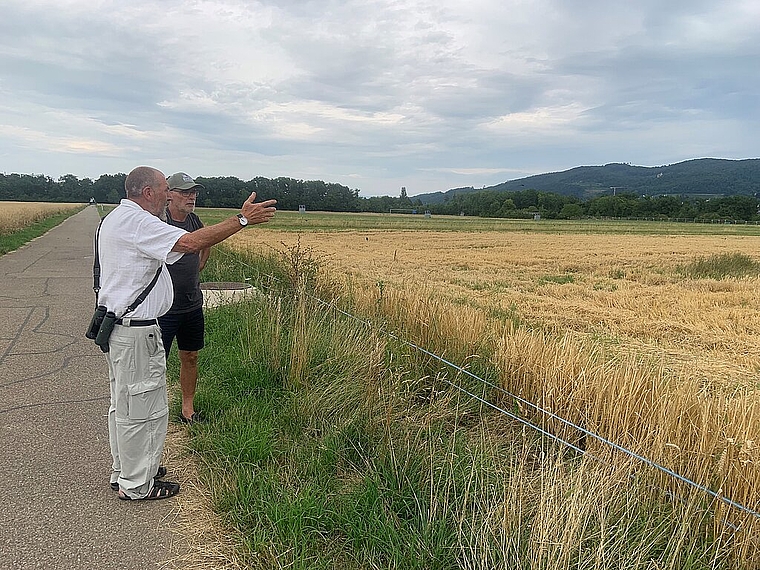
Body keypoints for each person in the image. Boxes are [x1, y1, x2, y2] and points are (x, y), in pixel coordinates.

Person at [97, 166, 276, 500]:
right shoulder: (140, 222)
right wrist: (241, 220)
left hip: (120, 328)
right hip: (137, 332)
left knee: (123, 403)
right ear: (148, 192)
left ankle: (126, 470)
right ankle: (137, 486)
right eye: (165, 188)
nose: (169, 193)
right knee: (143, 406)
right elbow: (191, 243)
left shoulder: (117, 218)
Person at [159, 172, 209, 424]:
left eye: (194, 193)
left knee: (190, 356)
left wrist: (199, 266)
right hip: (163, 308)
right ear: (168, 194)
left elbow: (206, 241)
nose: (192, 197)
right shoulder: (159, 221)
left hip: (191, 303)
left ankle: (187, 409)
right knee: (157, 363)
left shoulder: (194, 220)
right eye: (185, 192)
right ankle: (155, 411)